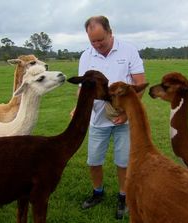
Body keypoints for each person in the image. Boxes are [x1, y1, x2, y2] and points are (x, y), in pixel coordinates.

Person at [70, 15, 146, 219]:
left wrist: (127, 112)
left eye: (100, 40)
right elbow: (82, 89)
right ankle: (98, 192)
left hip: (124, 119)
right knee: (93, 160)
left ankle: (124, 197)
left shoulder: (128, 50)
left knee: (123, 162)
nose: (97, 45)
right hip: (97, 119)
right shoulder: (86, 56)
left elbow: (140, 84)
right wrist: (77, 109)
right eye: (92, 41)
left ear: (110, 33)